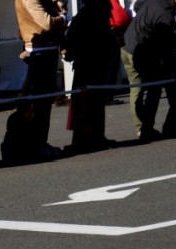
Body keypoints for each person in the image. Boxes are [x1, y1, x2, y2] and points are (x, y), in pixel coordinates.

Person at [121, 0, 176, 141]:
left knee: (139, 89)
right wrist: (172, 67)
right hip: (139, 50)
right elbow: (164, 44)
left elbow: (138, 5)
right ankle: (145, 129)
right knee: (152, 88)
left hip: (128, 44)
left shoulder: (159, 2)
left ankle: (143, 128)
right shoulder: (165, 15)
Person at [63, 0, 116, 153]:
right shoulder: (96, 15)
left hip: (87, 64)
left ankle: (89, 138)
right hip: (91, 64)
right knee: (89, 103)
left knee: (87, 103)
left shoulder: (84, 16)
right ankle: (89, 138)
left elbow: (71, 40)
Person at [13, 0, 66, 153]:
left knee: (44, 99)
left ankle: (40, 142)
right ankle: (34, 144)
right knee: (38, 100)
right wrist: (62, 18)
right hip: (38, 50)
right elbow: (46, 23)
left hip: (46, 49)